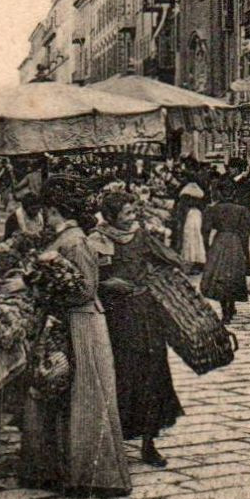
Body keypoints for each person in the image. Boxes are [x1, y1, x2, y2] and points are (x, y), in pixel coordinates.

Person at [21, 177, 131, 497]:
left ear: (54, 211)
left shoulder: (73, 241)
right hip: (68, 320)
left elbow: (85, 289)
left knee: (84, 392)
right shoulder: (66, 238)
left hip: (81, 322)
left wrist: (48, 291)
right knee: (60, 390)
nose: (42, 217)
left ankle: (90, 473)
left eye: (45, 211)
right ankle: (60, 468)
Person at [94, 190, 184, 468]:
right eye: (126, 214)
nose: (132, 218)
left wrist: (153, 276)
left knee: (152, 374)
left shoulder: (142, 236)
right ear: (109, 217)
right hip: (115, 318)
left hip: (144, 315)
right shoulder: (96, 240)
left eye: (133, 213)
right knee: (120, 376)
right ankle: (113, 445)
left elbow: (172, 260)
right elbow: (87, 278)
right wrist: (106, 285)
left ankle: (149, 443)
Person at [199, 180, 250, 323]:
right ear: (234, 193)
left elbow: (205, 230)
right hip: (235, 243)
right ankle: (232, 305)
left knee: (220, 275)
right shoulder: (241, 210)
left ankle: (225, 311)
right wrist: (245, 252)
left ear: (219, 193)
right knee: (234, 274)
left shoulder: (212, 209)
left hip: (220, 242)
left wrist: (207, 249)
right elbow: (246, 233)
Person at [171, 180, 208, 272]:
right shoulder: (198, 202)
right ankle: (196, 262)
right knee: (196, 240)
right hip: (195, 220)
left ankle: (190, 262)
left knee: (189, 239)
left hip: (190, 221)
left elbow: (180, 214)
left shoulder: (185, 197)